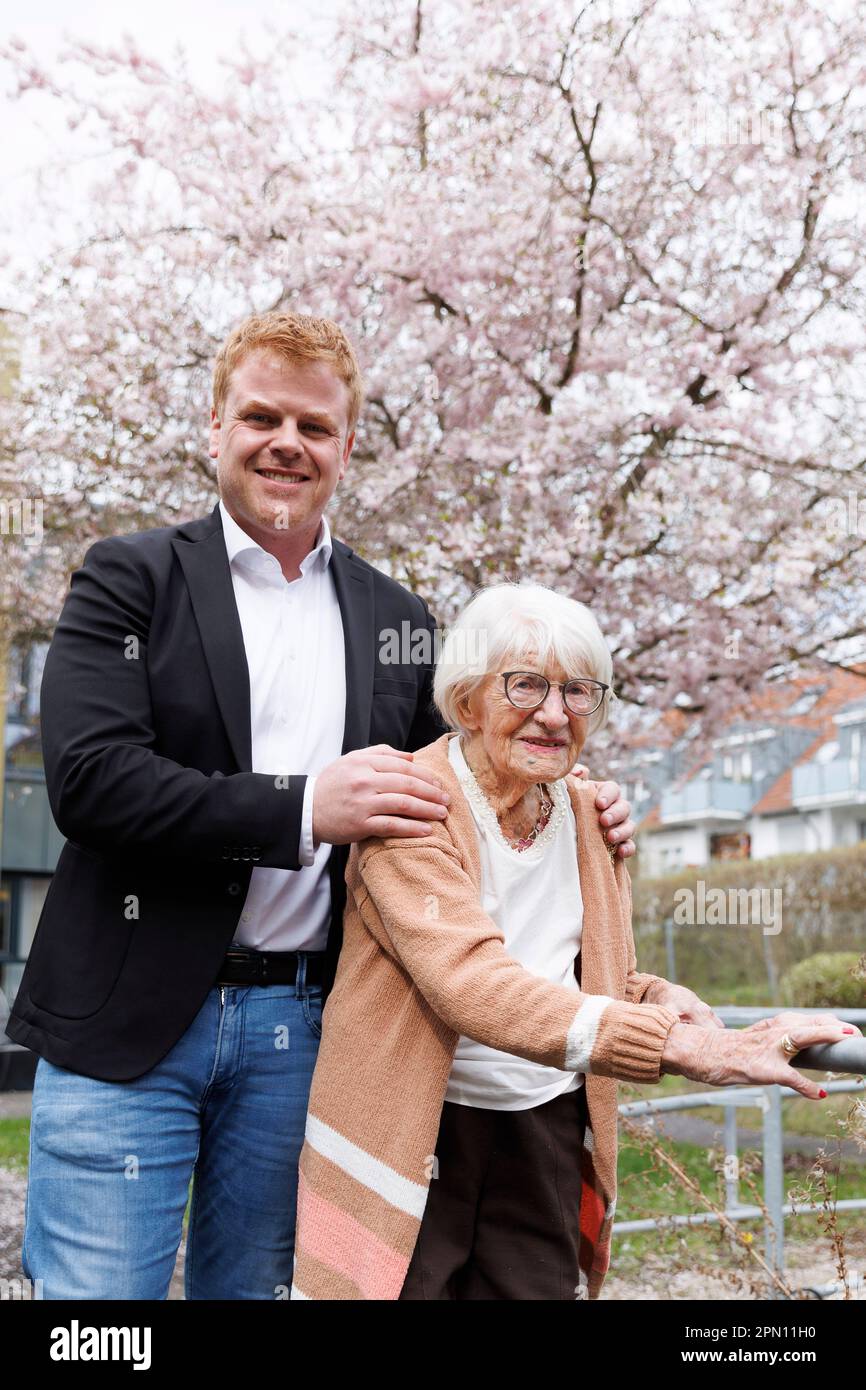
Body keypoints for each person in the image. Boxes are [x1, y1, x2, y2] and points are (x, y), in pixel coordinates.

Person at [9, 312, 636, 1300]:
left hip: (306, 1032)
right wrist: (303, 808)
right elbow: (90, 780)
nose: (285, 443)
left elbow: (463, 773)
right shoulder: (127, 579)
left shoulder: (396, 619)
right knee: (98, 1312)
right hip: (126, 1018)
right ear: (215, 427)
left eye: (313, 425)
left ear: (346, 447)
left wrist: (583, 803)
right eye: (261, 416)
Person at [290, 583, 860, 1301]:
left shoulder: (594, 816)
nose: (554, 715)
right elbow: (469, 979)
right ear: (468, 700)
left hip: (544, 1128)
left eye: (579, 691)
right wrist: (681, 1048)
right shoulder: (411, 808)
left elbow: (585, 975)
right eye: (526, 685)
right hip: (419, 1131)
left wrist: (660, 998)